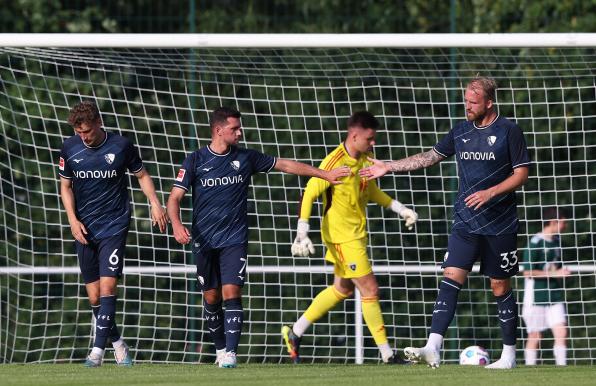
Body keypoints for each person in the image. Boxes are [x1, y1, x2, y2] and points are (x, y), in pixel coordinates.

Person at [360, 76, 531, 369]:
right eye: (465, 101)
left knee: (500, 286)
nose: (467, 107)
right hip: (465, 222)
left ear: (489, 103)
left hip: (500, 224)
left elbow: (522, 174)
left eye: (473, 103)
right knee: (451, 277)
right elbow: (428, 157)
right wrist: (389, 166)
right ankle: (433, 346)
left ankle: (510, 356)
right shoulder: (461, 131)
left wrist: (490, 192)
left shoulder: (509, 131)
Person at [166, 106, 350, 369]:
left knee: (232, 291)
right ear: (219, 130)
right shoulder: (195, 160)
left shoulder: (246, 158)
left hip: (234, 239)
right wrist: (176, 224)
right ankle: (219, 349)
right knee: (210, 297)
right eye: (234, 129)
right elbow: (174, 198)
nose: (240, 133)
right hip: (204, 239)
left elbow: (285, 164)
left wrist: (325, 174)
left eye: (240, 128)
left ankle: (230, 352)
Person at [281, 111, 418, 365]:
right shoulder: (334, 162)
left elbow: (372, 191)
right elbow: (309, 192)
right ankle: (388, 355)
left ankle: (295, 331)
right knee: (370, 289)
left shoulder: (367, 160)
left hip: (356, 236)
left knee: (341, 289)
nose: (373, 143)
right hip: (342, 239)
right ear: (354, 135)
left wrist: (401, 209)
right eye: (370, 138)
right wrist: (302, 231)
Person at [59, 101, 168, 367]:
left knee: (108, 287)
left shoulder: (121, 146)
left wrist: (154, 203)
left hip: (114, 225)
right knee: (94, 297)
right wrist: (72, 220)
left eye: (87, 131)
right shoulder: (69, 148)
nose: (83, 137)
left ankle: (96, 352)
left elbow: (141, 175)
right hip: (84, 227)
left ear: (98, 123)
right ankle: (118, 344)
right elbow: (65, 186)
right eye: (79, 132)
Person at [522, 207, 570, 366]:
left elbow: (554, 268)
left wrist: (560, 272)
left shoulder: (557, 242)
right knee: (535, 335)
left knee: (562, 332)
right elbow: (527, 272)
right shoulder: (535, 243)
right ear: (553, 222)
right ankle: (529, 369)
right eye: (563, 222)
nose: (566, 226)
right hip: (536, 296)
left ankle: (562, 369)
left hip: (554, 295)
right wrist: (555, 274)